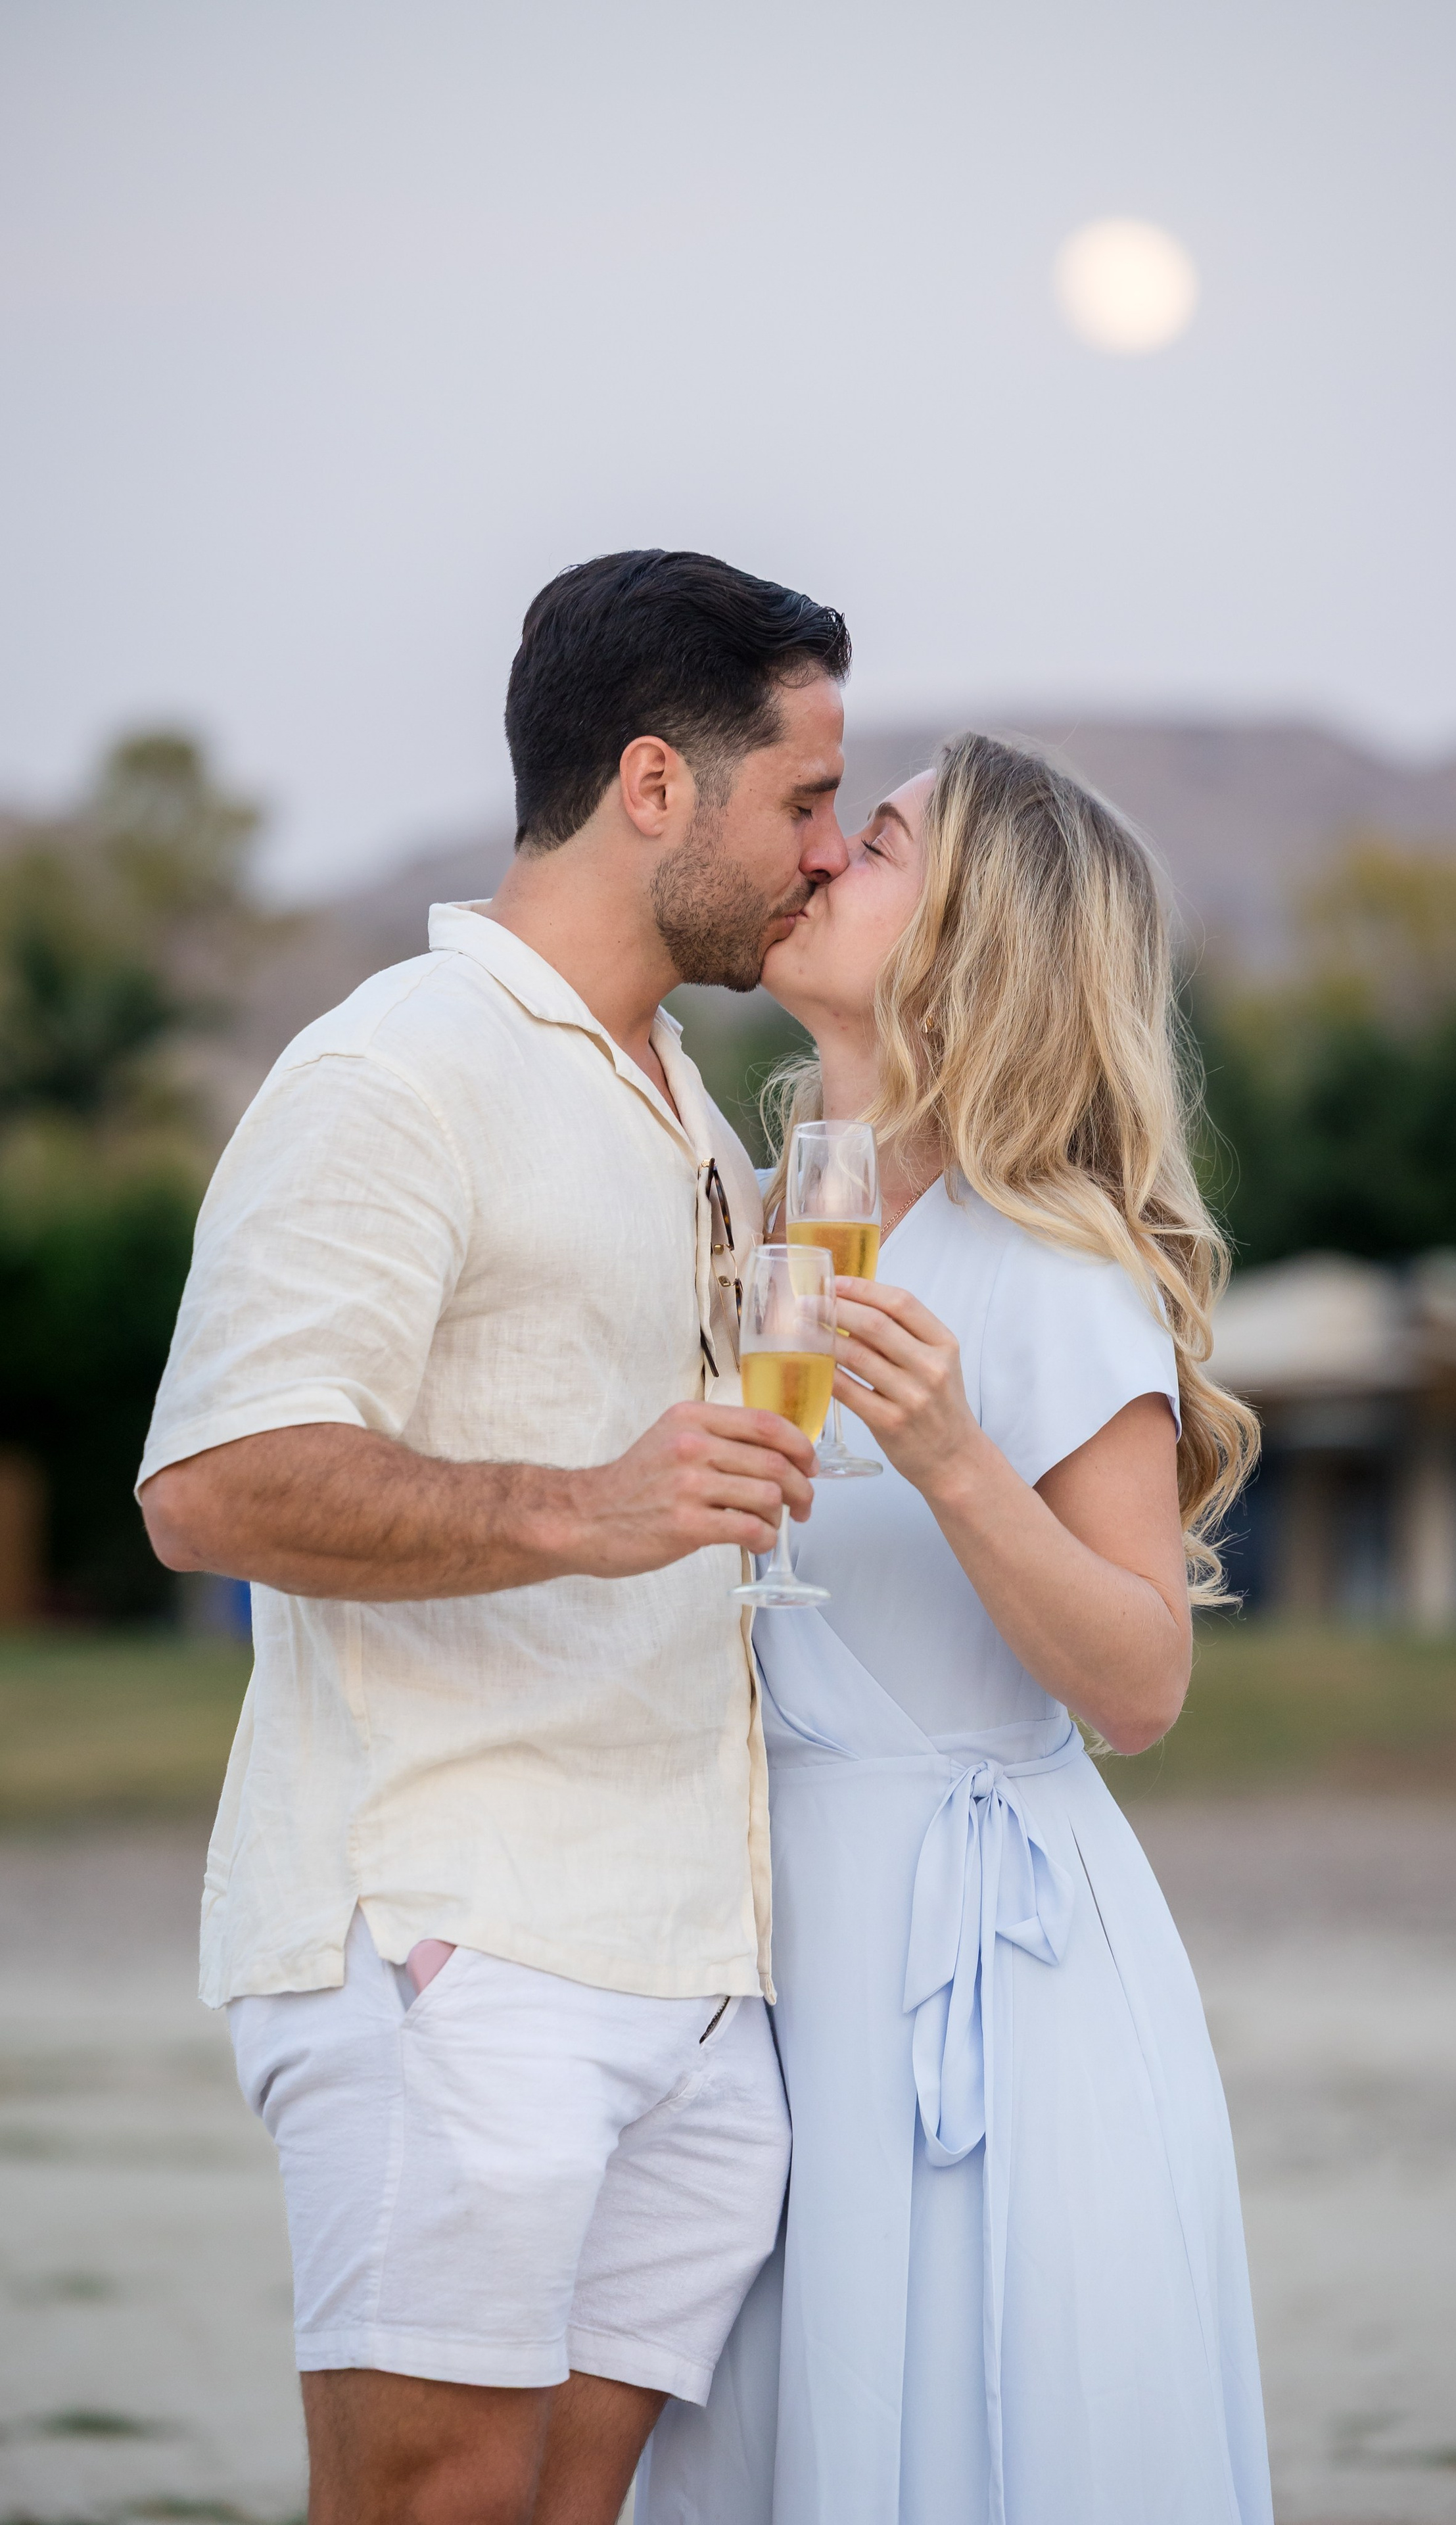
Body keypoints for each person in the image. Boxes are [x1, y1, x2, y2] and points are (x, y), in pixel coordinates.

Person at [136, 549, 853, 2525]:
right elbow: (211, 1482)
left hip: (695, 1969)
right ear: (653, 785)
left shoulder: (694, 1109)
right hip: (459, 1929)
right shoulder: (396, 1068)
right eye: (801, 797)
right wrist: (583, 1505)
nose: (824, 851)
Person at [640, 734, 1273, 2525]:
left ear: (977, 938)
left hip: (993, 1969)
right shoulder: (777, 1221)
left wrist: (952, 1459)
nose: (826, 855)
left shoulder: (1053, 1269)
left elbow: (1145, 1676)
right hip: (782, 1966)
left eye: (885, 838)